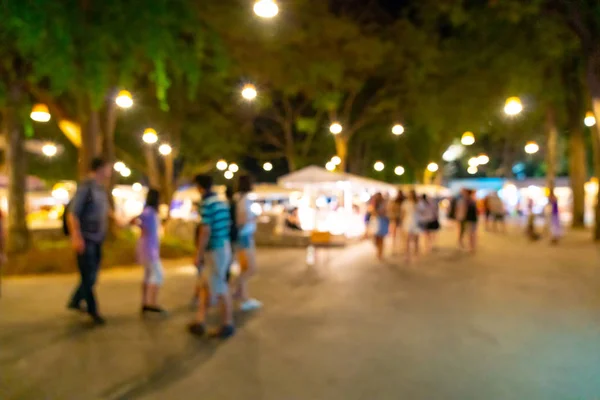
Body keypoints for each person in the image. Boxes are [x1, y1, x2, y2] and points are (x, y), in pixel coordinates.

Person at [66, 158, 111, 325]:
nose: (110, 172)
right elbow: (73, 214)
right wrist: (76, 237)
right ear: (100, 168)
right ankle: (93, 310)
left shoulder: (100, 189)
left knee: (91, 276)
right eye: (108, 168)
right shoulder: (86, 187)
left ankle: (76, 301)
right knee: (88, 275)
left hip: (98, 238)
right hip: (86, 239)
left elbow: (104, 210)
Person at [189, 174, 235, 338]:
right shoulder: (221, 201)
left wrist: (198, 254)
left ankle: (227, 323)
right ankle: (200, 321)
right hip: (224, 246)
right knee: (206, 285)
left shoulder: (206, 203)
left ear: (200, 186)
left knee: (219, 286)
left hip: (214, 249)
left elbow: (205, 230)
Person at [131, 188, 166, 315]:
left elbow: (135, 220)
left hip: (147, 247)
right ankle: (152, 303)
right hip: (149, 248)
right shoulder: (150, 212)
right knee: (157, 274)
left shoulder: (148, 211)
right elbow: (134, 220)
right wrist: (142, 228)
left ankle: (145, 303)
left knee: (148, 274)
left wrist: (141, 227)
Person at [234, 175, 262, 311]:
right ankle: (243, 297)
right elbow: (241, 219)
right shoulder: (244, 200)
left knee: (244, 267)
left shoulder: (237, 198)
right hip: (245, 237)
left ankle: (240, 293)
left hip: (241, 237)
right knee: (250, 268)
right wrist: (251, 220)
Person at [401, 190, 421, 263]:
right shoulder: (405, 203)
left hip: (416, 222)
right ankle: (407, 255)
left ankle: (416, 254)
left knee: (416, 240)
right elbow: (403, 214)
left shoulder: (418, 203)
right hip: (408, 222)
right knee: (407, 240)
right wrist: (402, 223)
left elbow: (421, 212)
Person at [372, 193, 389, 261]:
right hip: (377, 222)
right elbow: (372, 212)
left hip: (382, 222)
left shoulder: (384, 204)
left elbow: (386, 212)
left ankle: (380, 253)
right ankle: (379, 251)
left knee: (381, 238)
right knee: (376, 238)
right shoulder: (375, 204)